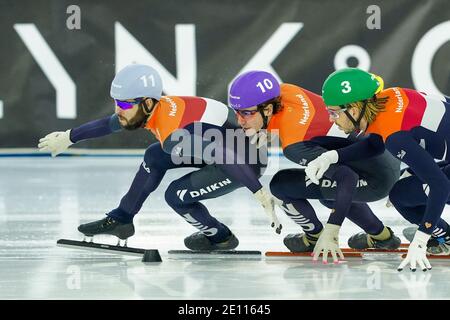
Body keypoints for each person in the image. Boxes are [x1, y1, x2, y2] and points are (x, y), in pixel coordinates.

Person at [38, 64, 281, 251]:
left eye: (123, 104)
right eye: (116, 103)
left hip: (245, 161)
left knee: (176, 196)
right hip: (224, 144)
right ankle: (122, 218)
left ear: (146, 103)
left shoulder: (174, 133)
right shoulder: (154, 108)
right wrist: (70, 137)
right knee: (155, 155)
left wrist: (258, 191)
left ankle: (220, 237)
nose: (118, 110)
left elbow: (222, 154)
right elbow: (110, 124)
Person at [228, 70, 401, 263]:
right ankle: (382, 237)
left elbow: (348, 178)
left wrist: (332, 230)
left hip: (376, 178)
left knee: (281, 184)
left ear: (267, 110)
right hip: (388, 153)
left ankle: (314, 237)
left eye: (246, 113)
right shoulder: (287, 91)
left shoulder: (295, 146)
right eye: (236, 112)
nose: (239, 121)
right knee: (328, 186)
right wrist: (266, 129)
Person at [313, 67, 450, 271]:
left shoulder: (395, 135)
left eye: (333, 112)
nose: (331, 119)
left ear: (353, 110)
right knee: (403, 191)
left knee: (406, 195)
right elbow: (376, 143)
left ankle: (444, 237)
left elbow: (440, 185)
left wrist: (421, 240)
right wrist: (333, 156)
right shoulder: (386, 99)